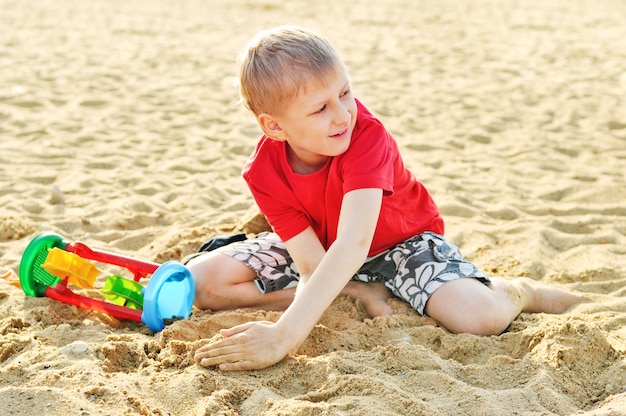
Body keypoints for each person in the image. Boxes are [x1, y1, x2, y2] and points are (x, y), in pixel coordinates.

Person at [188, 25, 584, 371]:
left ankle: (518, 290)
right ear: (275, 126)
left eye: (344, 92)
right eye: (320, 108)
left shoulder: (366, 137)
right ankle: (360, 290)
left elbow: (355, 242)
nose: (343, 114)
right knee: (202, 283)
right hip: (327, 251)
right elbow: (312, 263)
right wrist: (344, 289)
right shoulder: (263, 171)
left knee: (479, 318)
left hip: (401, 245)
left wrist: (284, 335)